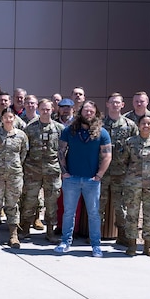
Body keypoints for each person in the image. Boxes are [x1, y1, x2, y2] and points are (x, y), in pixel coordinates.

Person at [56, 100, 111, 257]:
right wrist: (64, 172)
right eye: (85, 110)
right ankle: (65, 242)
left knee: (94, 213)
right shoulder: (69, 131)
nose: (88, 113)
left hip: (92, 181)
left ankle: (96, 245)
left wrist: (99, 175)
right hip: (71, 179)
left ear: (96, 113)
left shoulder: (102, 133)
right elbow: (60, 151)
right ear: (80, 112)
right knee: (69, 212)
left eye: (91, 111)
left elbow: (107, 155)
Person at [117, 115, 150, 257]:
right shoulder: (130, 142)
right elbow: (123, 160)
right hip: (133, 184)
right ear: (138, 126)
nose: (146, 125)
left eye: (149, 123)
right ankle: (132, 245)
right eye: (143, 123)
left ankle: (148, 246)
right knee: (132, 215)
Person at [21, 99, 64, 243]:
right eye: (43, 109)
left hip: (52, 170)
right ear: (38, 109)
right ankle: (25, 229)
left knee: (51, 202)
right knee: (29, 200)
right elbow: (24, 149)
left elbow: (64, 150)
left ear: (53, 109)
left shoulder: (59, 129)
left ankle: (50, 231)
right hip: (32, 170)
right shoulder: (30, 128)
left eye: (48, 109)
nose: (45, 112)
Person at [0, 109, 29, 248]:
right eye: (6, 117)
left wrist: (14, 167)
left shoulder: (21, 135)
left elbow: (23, 153)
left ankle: (13, 236)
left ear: (14, 118)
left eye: (11, 117)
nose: (8, 120)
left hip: (14, 176)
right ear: (2, 118)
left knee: (12, 205)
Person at [101, 93, 138, 246]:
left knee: (121, 205)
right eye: (112, 102)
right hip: (102, 171)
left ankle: (122, 234)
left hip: (121, 172)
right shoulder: (99, 124)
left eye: (118, 103)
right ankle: (95, 234)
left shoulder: (130, 125)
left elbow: (136, 148)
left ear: (123, 105)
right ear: (107, 104)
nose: (115, 105)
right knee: (98, 204)